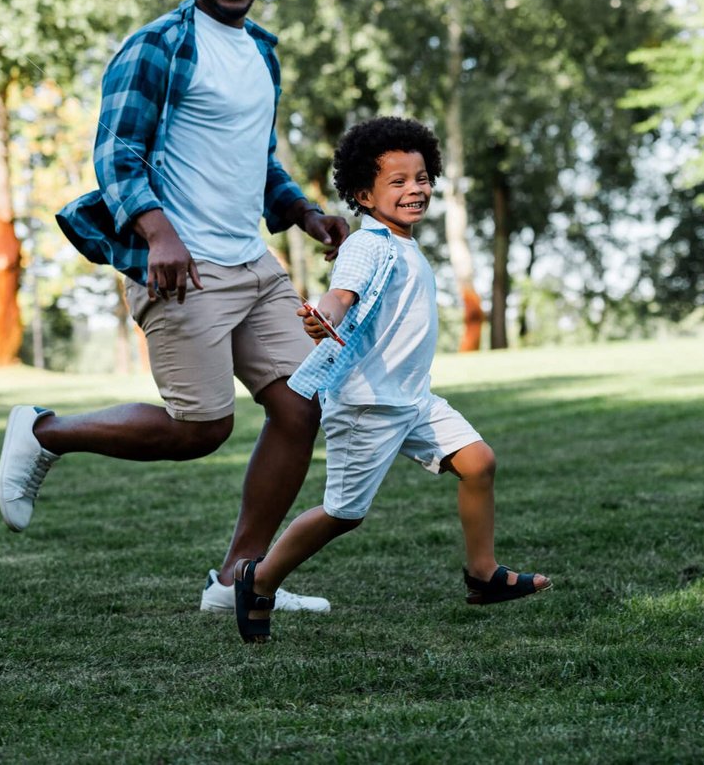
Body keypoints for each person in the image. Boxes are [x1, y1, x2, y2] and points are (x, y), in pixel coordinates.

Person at [0, 0, 350, 615]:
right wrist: (158, 232)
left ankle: (237, 581)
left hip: (253, 261)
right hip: (182, 266)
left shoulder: (261, 53)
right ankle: (44, 431)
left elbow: (255, 157)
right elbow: (117, 152)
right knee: (201, 429)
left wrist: (305, 213)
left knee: (302, 405)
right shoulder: (157, 45)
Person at [229, 116, 550, 643]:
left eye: (421, 178)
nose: (414, 190)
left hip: (413, 399)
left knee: (479, 461)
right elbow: (343, 293)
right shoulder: (368, 245)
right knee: (343, 513)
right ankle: (258, 579)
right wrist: (324, 313)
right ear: (363, 193)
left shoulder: (404, 244)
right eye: (397, 182)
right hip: (366, 404)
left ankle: (482, 574)